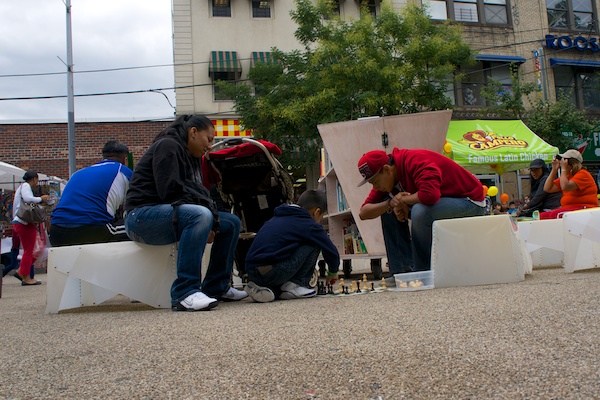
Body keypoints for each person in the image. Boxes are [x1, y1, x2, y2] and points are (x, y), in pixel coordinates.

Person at [124, 114, 247, 312]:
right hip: (140, 218)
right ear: (193, 132)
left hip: (171, 215)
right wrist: (206, 220)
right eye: (209, 139)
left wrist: (214, 223)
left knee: (231, 223)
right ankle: (185, 292)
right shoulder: (168, 146)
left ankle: (216, 287)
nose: (209, 146)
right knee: (199, 215)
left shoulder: (194, 158)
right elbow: (170, 191)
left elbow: (197, 195)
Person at [357, 148, 485, 272]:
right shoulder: (387, 178)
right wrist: (391, 204)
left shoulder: (415, 160)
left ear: (386, 169)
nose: (375, 187)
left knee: (420, 211)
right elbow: (363, 213)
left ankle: (424, 270)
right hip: (442, 203)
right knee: (386, 205)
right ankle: (402, 270)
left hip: (470, 201)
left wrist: (402, 202)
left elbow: (430, 195)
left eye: (375, 182)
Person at [243, 190, 340, 303]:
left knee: (289, 247)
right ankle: (296, 285)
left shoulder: (275, 219)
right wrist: (332, 272)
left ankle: (262, 289)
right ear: (316, 212)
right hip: (273, 272)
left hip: (252, 271)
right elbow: (331, 250)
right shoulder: (309, 224)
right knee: (314, 242)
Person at [49, 141, 133, 247]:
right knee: (140, 226)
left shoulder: (78, 173)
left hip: (56, 231)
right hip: (91, 228)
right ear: (125, 160)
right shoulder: (124, 171)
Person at [12, 170, 51, 285]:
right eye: (37, 180)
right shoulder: (25, 186)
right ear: (34, 179)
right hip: (24, 223)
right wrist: (41, 199)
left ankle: (23, 272)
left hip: (22, 222)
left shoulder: (21, 187)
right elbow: (28, 199)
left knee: (34, 249)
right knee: (31, 250)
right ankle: (25, 275)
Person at [540, 149, 598, 219]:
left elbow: (565, 187)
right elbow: (547, 188)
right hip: (571, 209)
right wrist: (554, 170)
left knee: (555, 215)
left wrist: (563, 169)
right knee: (542, 216)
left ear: (572, 164)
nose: (562, 164)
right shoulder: (568, 176)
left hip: (585, 208)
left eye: (565, 161)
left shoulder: (583, 174)